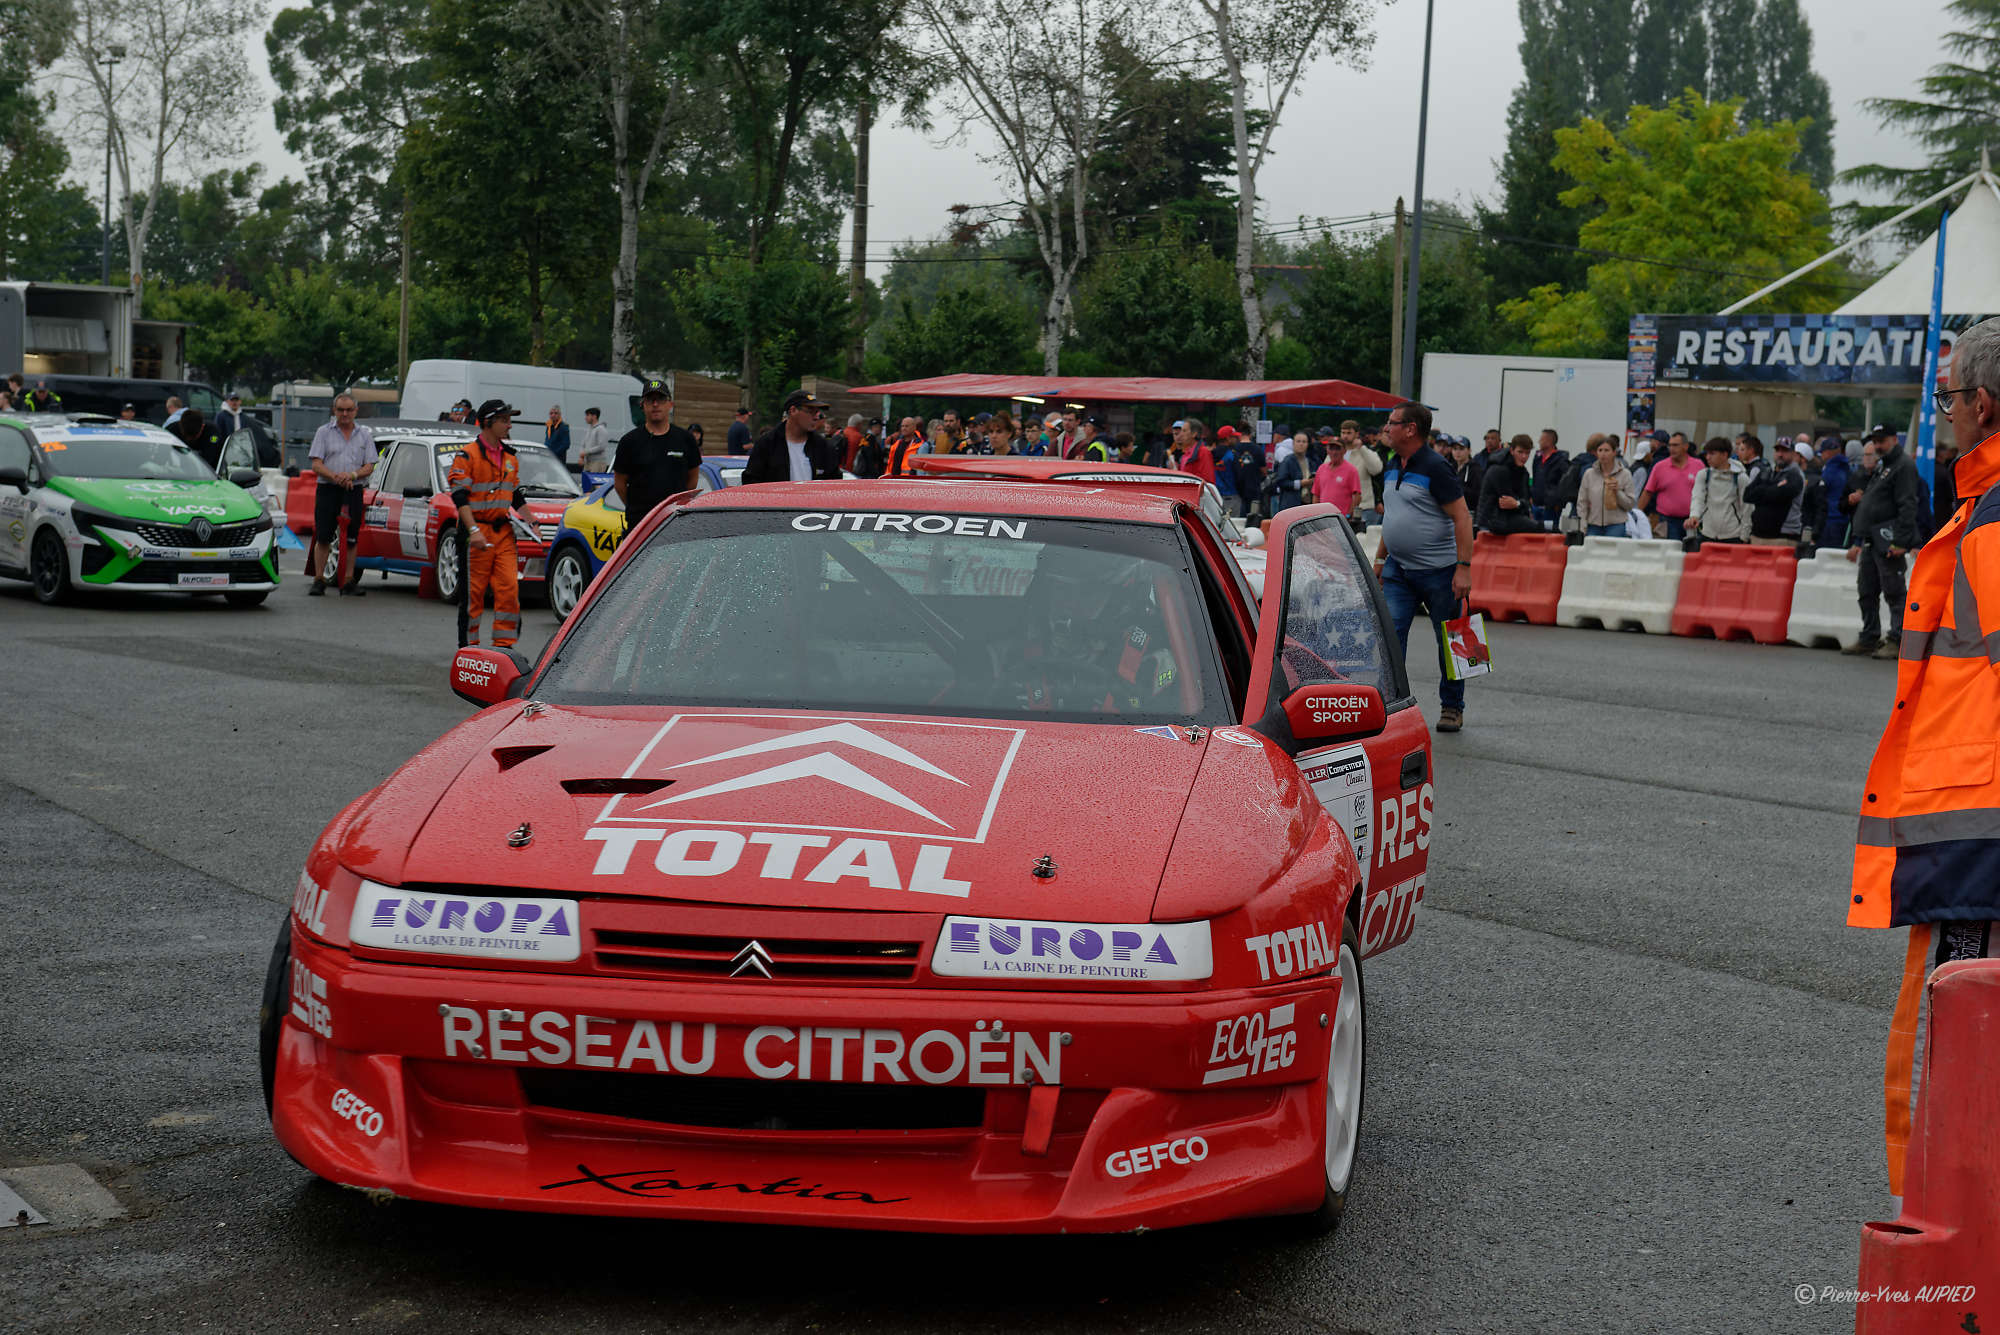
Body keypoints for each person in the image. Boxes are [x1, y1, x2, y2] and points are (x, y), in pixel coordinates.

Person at [1848, 316, 2000, 1200]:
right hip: (1974, 820)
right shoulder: (1981, 506)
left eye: (1947, 399)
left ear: (1983, 404)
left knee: (1965, 1048)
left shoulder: (1993, 517)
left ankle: (1958, 1232)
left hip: (1979, 831)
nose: (1945, 415)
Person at [1376, 400, 1474, 733]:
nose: (1386, 428)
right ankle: (1391, 707)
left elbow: (1462, 517)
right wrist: (1380, 559)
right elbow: (1394, 517)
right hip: (1398, 571)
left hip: (1441, 572)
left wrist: (1463, 568)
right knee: (1390, 637)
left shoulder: (1436, 467)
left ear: (1410, 429)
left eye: (1392, 422)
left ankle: (1453, 706)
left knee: (1453, 639)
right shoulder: (1392, 464)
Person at [447, 401, 527, 649]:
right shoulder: (467, 455)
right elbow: (459, 496)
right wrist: (473, 531)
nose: (509, 425)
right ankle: (468, 649)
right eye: (504, 420)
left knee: (509, 588)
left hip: (503, 533)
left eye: (509, 420)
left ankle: (504, 647)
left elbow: (515, 495)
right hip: (476, 533)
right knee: (473, 595)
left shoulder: (510, 457)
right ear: (488, 423)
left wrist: (533, 522)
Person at [1844, 422, 1925, 660]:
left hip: (1888, 539)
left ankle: (1897, 639)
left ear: (1894, 440)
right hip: (1873, 538)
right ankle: (1869, 636)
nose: (1878, 446)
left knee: (1894, 591)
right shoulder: (1885, 466)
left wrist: (1900, 541)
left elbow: (1908, 505)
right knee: (1866, 590)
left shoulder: (1903, 466)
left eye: (1882, 441)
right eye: (1875, 441)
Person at [307, 392, 376, 596]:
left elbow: (369, 465)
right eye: (340, 410)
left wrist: (352, 475)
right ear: (334, 410)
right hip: (328, 489)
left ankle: (348, 580)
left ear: (356, 411)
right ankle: (319, 579)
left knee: (352, 537)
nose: (344, 414)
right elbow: (316, 464)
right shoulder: (323, 432)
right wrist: (335, 477)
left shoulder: (365, 434)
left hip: (353, 489)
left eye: (348, 410)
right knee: (323, 535)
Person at [612, 377, 701, 528]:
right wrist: (637, 508)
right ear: (642, 405)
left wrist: (677, 506)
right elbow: (619, 484)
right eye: (650, 400)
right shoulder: (629, 441)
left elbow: (693, 479)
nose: (655, 404)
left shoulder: (685, 439)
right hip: (640, 524)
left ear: (670, 405)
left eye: (660, 399)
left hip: (675, 522)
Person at [744, 388, 842, 484]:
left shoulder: (824, 447)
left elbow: (835, 484)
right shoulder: (766, 444)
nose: (816, 417)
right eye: (811, 411)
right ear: (793, 410)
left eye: (817, 412)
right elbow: (751, 482)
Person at [1638, 432, 1702, 540]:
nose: (1671, 449)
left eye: (1675, 445)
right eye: (1670, 445)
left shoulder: (1698, 465)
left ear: (1686, 446)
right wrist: (1637, 514)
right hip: (1667, 522)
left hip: (1692, 521)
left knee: (1691, 550)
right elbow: (1648, 492)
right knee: (1670, 550)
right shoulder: (1660, 467)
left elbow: (1705, 492)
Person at [1687, 438, 1751, 544]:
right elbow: (1697, 498)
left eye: (1712, 454)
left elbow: (1747, 508)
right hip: (1706, 534)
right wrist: (1694, 515)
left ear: (1725, 455)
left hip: (1733, 536)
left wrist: (1744, 536)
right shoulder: (1703, 475)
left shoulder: (1741, 478)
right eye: (1707, 453)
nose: (1707, 457)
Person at [1746, 436, 1806, 545]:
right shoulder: (1767, 471)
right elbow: (1748, 495)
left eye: (1785, 451)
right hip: (1758, 533)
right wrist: (1773, 487)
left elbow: (1780, 495)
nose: (1780, 454)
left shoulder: (1796, 475)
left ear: (1793, 454)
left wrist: (1763, 489)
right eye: (1777, 450)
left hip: (1783, 535)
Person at [1574, 435, 1636, 537]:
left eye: (1607, 450)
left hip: (1616, 525)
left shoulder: (1625, 474)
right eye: (1600, 450)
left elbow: (1630, 504)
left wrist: (1617, 492)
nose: (1603, 454)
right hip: (1593, 525)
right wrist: (1582, 524)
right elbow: (1582, 502)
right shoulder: (1589, 474)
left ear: (1614, 452)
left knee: (1612, 547)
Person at [1477, 436, 1541, 535]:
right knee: (1540, 528)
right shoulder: (1499, 470)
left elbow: (1523, 501)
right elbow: (1507, 501)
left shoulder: (1524, 473)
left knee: (1544, 527)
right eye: (1520, 452)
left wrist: (1518, 504)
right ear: (1512, 451)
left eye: (1527, 453)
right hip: (1491, 522)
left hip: (1507, 518)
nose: (1524, 456)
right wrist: (1520, 504)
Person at [1812, 436, 1851, 549]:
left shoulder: (1829, 471)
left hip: (1830, 519)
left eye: (1822, 453)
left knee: (1827, 553)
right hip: (1844, 518)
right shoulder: (1847, 468)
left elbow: (1821, 497)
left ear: (1827, 453)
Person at [1340, 422, 1382, 522]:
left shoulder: (1365, 451)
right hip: (1341, 505)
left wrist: (1362, 448)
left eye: (1349, 433)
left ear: (1357, 434)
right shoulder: (1336, 452)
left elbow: (1376, 470)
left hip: (1363, 506)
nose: (1345, 436)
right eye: (1343, 433)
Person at [1529, 428, 1568, 524]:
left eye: (1541, 439)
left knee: (1548, 531)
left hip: (1551, 507)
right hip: (1535, 505)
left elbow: (1564, 484)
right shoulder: (1537, 457)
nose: (1539, 441)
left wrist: (1558, 502)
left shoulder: (1561, 460)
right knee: (1534, 530)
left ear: (1549, 441)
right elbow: (1535, 478)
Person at [1312, 440, 1362, 515]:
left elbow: (1357, 496)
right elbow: (1316, 494)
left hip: (1342, 517)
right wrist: (1316, 514)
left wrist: (1349, 515)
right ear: (1327, 451)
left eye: (1337, 449)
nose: (1334, 452)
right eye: (1331, 448)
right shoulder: (1321, 469)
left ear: (1344, 451)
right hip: (1324, 517)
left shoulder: (1351, 470)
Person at [173, 407, 225, 472]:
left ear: (202, 427)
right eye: (187, 436)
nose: (190, 440)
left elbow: (208, 461)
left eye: (194, 436)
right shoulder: (173, 429)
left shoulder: (212, 434)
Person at [1267, 434, 1307, 512]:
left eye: (1304, 441)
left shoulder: (1311, 461)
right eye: (1298, 441)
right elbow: (1281, 481)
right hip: (1290, 504)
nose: (1301, 444)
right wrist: (1300, 483)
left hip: (1306, 504)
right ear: (1293, 444)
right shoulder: (1287, 461)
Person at [1467, 428, 1506, 504]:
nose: (1489, 441)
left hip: (1499, 496)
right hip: (1481, 495)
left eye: (1493, 438)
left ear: (1499, 440)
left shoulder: (1505, 456)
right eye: (1487, 438)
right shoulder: (1478, 457)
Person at [575, 407, 611, 473]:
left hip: (598, 463)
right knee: (585, 479)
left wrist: (586, 452)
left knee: (594, 480)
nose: (585, 418)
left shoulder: (601, 429)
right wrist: (581, 457)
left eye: (587, 415)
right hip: (588, 462)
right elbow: (583, 445)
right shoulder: (589, 429)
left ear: (594, 416)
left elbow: (601, 446)